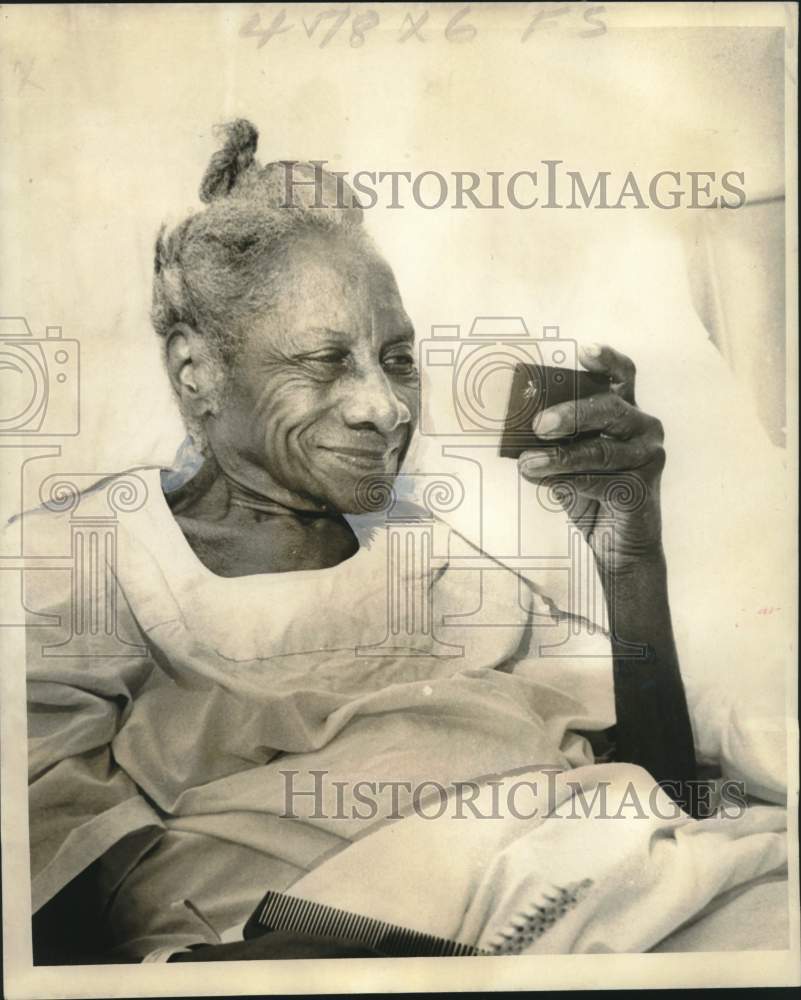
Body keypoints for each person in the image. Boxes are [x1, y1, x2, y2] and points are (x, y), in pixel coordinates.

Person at [25, 121, 784, 964]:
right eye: (324, 361)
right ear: (194, 370)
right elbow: (58, 932)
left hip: (634, 887)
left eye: (396, 360)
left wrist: (628, 555)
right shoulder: (80, 566)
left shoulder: (431, 559)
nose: (385, 408)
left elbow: (665, 790)